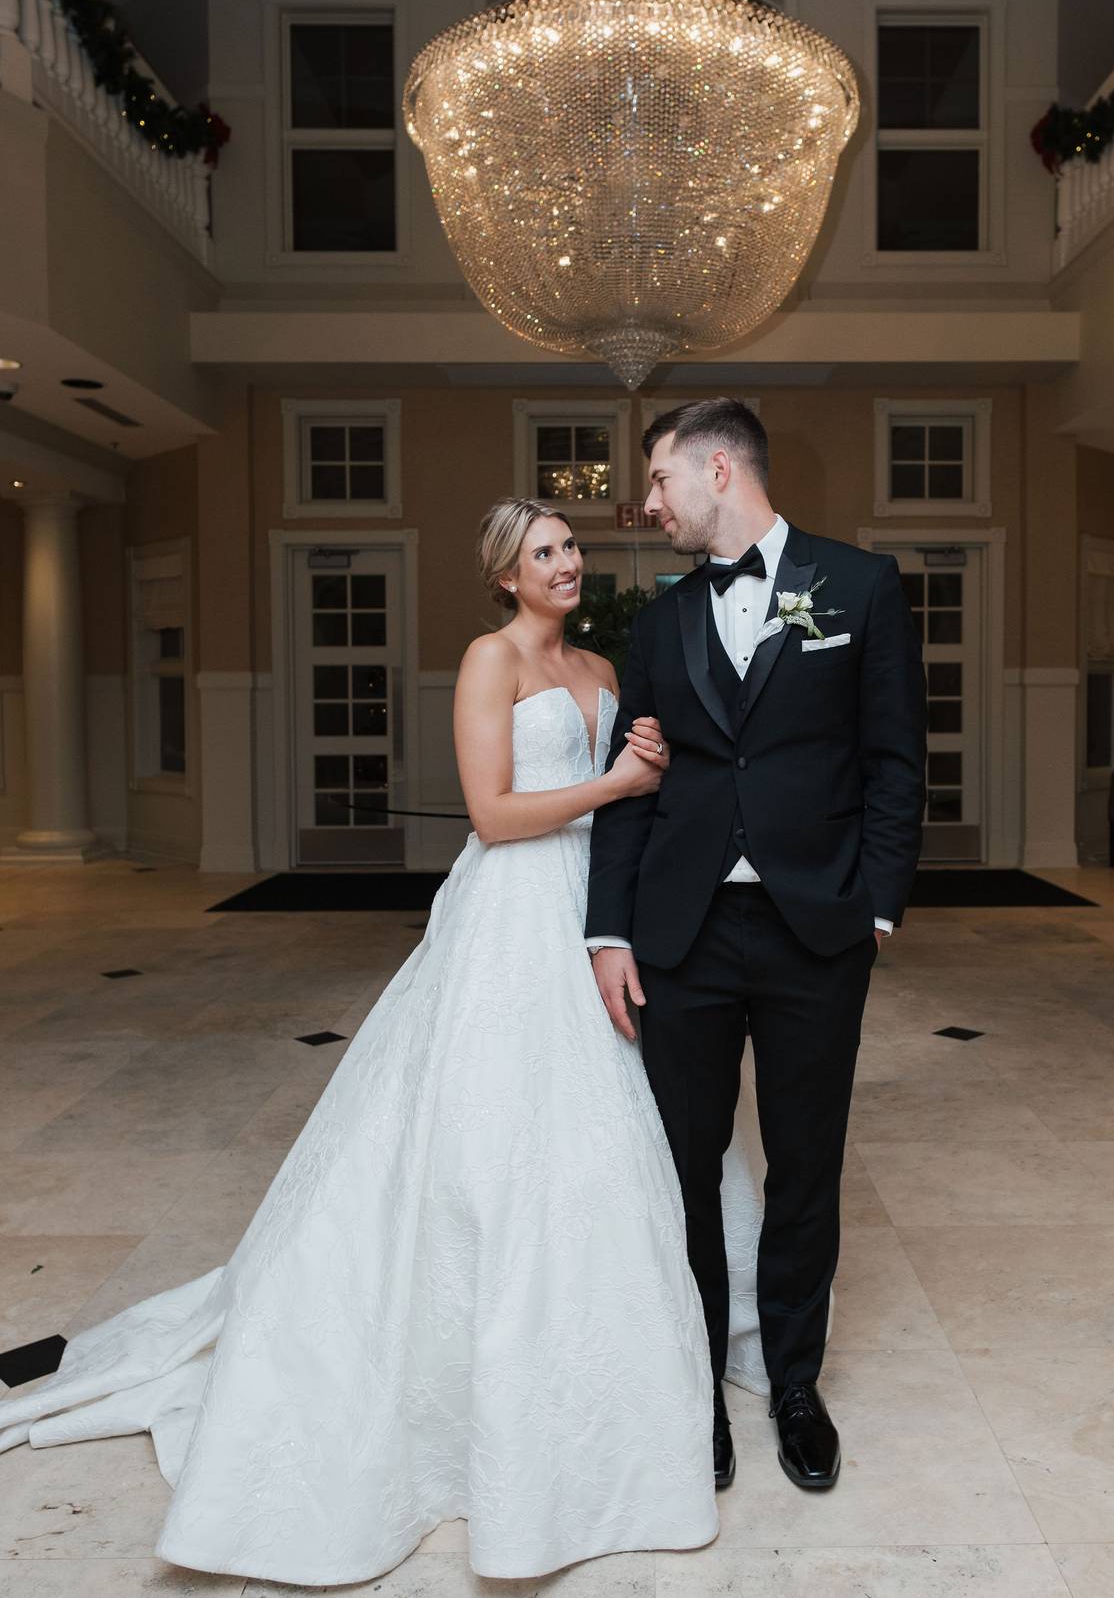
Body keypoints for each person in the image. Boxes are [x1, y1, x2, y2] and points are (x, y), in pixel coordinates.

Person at [0, 497, 761, 1584]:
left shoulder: (602, 664)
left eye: (571, 546)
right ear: (504, 575)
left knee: (630, 1135)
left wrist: (652, 756)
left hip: (599, 905)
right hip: (510, 909)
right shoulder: (488, 658)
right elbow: (493, 813)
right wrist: (617, 780)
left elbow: (638, 796)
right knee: (487, 1139)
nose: (566, 563)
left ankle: (624, 1377)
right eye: (542, 552)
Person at [587, 399, 927, 1492]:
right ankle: (695, 1382)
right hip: (680, 933)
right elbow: (631, 789)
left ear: (718, 469)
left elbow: (895, 759)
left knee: (805, 1165)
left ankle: (791, 1380)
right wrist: (608, 929)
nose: (647, 504)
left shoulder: (858, 587)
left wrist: (874, 902)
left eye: (657, 480)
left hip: (813, 927)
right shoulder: (658, 621)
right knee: (681, 1167)